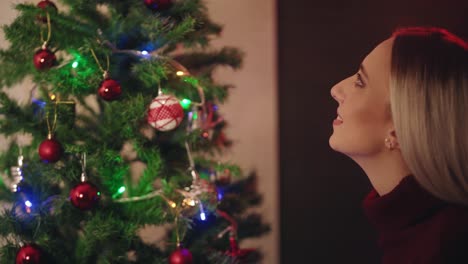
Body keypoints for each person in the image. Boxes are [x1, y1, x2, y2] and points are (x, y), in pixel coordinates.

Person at [329, 27, 468, 263]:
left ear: (401, 126)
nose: (336, 89)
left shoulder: (444, 249)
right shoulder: (415, 230)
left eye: (360, 81)